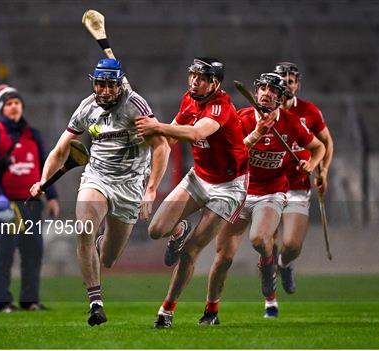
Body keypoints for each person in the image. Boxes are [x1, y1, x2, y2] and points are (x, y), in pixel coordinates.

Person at [30, 58, 169, 326]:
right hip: (97, 177)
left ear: (119, 85)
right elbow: (61, 150)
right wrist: (42, 181)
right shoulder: (86, 108)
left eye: (109, 85)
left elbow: (162, 147)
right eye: (99, 84)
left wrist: (150, 190)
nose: (104, 90)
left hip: (130, 185)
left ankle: (97, 247)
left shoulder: (136, 107)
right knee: (83, 228)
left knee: (108, 258)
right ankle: (96, 303)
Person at [200, 73, 326, 324]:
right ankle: (211, 312)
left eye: (273, 90)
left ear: (281, 98)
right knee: (223, 257)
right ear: (256, 93)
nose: (266, 93)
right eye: (262, 88)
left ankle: (268, 265)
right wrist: (257, 134)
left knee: (259, 238)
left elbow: (318, 147)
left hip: (271, 192)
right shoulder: (243, 118)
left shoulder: (291, 122)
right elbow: (230, 157)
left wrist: (310, 165)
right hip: (239, 191)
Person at [134, 57, 250, 328]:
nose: (194, 82)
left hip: (228, 188)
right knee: (156, 230)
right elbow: (171, 139)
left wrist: (157, 126)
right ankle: (178, 230)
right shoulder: (189, 99)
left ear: (215, 83)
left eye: (201, 78)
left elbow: (197, 132)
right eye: (192, 76)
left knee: (190, 252)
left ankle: (166, 310)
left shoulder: (221, 106)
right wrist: (144, 139)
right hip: (198, 178)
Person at [0, 84, 60, 313]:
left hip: (33, 204)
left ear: (22, 106)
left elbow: (46, 167)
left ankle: (30, 300)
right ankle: (2, 302)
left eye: (17, 103)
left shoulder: (33, 134)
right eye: (9, 104)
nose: (14, 107)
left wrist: (52, 197)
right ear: (2, 108)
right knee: (4, 253)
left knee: (33, 252)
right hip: (8, 205)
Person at [273, 62, 334, 293]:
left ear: (297, 85)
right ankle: (268, 281)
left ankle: (284, 263)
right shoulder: (265, 111)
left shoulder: (309, 111)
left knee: (291, 245)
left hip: (297, 185)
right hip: (267, 185)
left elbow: (326, 143)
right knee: (264, 240)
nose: (285, 85)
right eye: (281, 80)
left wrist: (323, 169)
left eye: (290, 81)